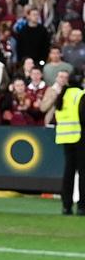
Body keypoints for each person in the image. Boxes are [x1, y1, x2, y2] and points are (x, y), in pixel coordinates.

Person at [48, 73, 85, 216]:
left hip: (65, 137)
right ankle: (82, 206)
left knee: (68, 172)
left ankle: (66, 206)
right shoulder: (80, 95)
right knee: (82, 173)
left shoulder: (62, 96)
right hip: (79, 136)